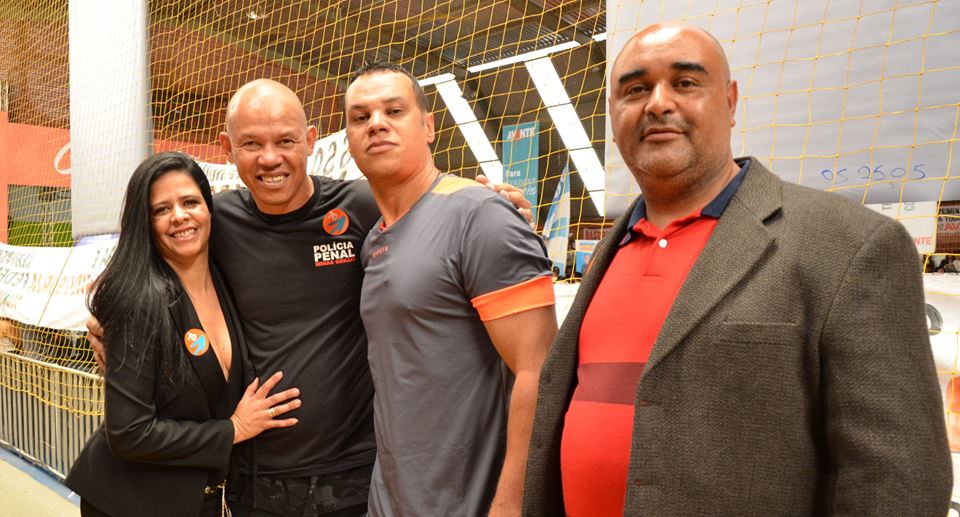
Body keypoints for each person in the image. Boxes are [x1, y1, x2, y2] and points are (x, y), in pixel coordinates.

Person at [522, 23, 952, 516]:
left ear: (729, 102)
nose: (657, 103)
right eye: (635, 89)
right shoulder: (609, 251)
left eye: (685, 83)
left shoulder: (848, 246)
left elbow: (899, 481)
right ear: (613, 114)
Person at [88, 80, 534, 516]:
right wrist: (112, 318)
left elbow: (437, 210)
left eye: (285, 141)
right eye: (251, 144)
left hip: (356, 477)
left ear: (310, 141)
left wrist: (496, 205)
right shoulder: (216, 219)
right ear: (227, 147)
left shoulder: (361, 206)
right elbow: (144, 260)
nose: (270, 158)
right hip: (255, 481)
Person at [343, 62, 558, 516]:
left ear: (428, 126)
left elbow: (539, 371)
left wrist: (511, 505)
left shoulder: (480, 214)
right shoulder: (373, 241)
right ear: (349, 137)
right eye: (360, 117)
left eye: (393, 111)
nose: (376, 124)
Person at [66, 152, 300, 517]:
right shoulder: (139, 300)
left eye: (190, 202)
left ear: (209, 209)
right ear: (145, 223)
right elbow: (129, 433)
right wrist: (234, 429)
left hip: (199, 500)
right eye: (162, 209)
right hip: (131, 503)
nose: (179, 216)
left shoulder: (226, 281)